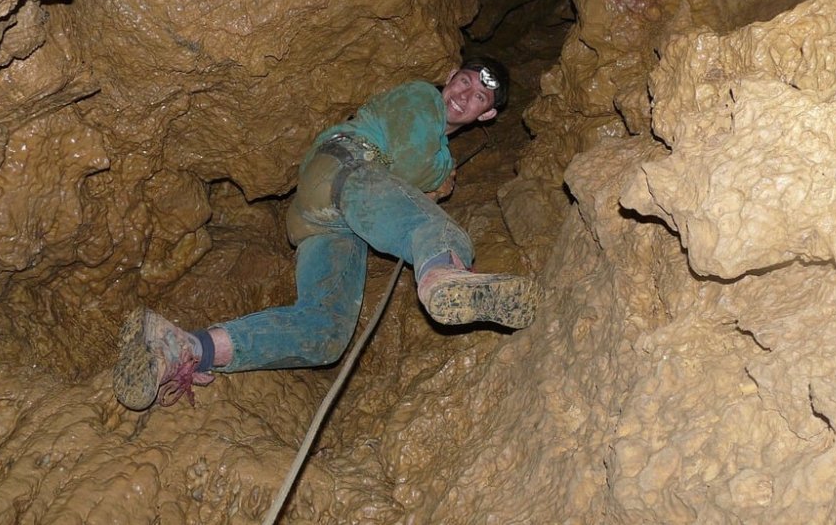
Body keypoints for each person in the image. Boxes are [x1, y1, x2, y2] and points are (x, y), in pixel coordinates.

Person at [113, 56, 538, 411]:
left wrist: (439, 175)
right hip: (346, 169)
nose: (463, 95)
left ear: (487, 115)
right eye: (462, 82)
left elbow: (417, 171)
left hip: (327, 223)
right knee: (439, 232)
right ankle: (444, 278)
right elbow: (410, 160)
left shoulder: (440, 154)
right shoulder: (419, 98)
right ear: (448, 79)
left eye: (477, 97)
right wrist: (439, 183)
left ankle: (181, 347)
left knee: (326, 333)